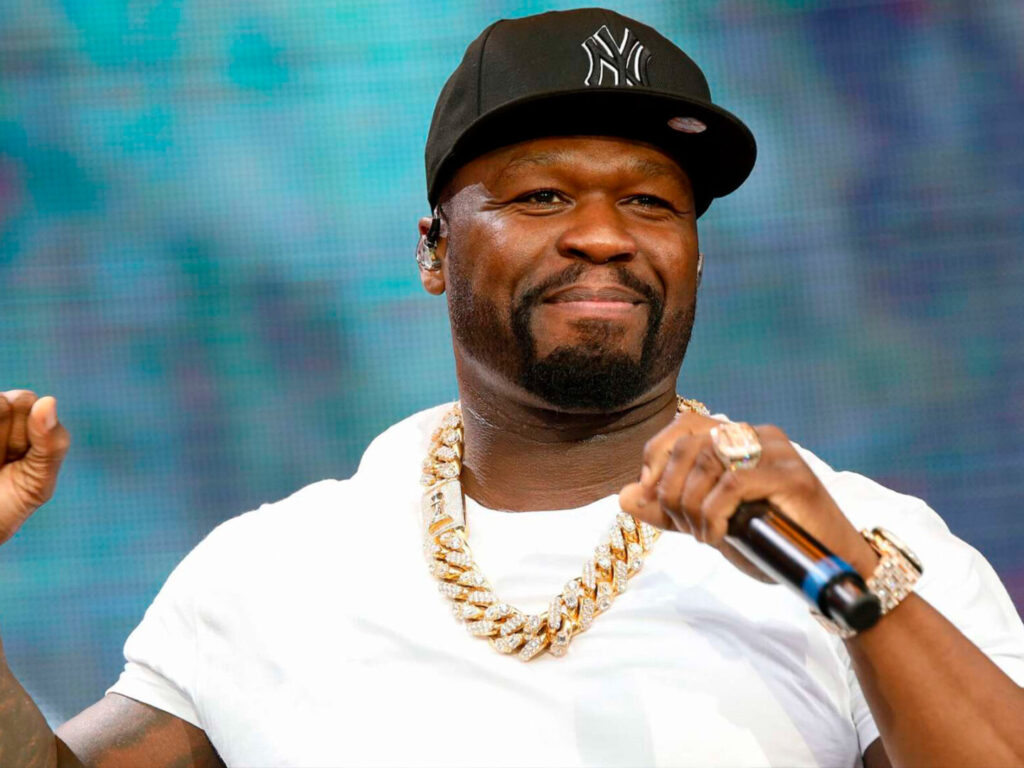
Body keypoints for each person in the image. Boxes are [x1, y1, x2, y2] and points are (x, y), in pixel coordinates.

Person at [1, 8, 1022, 768]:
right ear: (433, 250)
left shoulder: (866, 545)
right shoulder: (271, 571)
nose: (603, 235)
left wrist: (853, 581)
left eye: (650, 203)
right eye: (541, 196)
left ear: (695, 255)